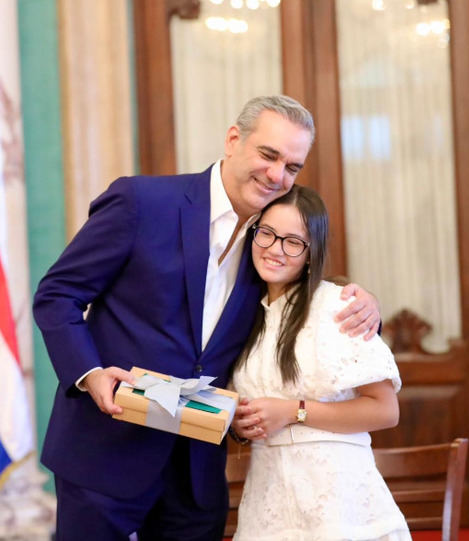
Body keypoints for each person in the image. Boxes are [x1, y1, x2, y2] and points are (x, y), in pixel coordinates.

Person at [32, 95, 382, 541]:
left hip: (197, 470)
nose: (277, 175)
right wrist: (90, 373)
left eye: (292, 167)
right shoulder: (141, 202)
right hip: (108, 450)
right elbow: (57, 293)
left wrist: (365, 305)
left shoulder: (270, 242)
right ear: (234, 140)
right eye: (269, 155)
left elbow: (306, 301)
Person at [230, 185, 411, 541]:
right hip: (269, 498)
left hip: (338, 501)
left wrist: (293, 411)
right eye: (266, 234)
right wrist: (241, 423)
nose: (274, 250)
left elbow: (385, 411)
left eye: (293, 242)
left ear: (311, 253)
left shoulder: (338, 307)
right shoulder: (243, 315)